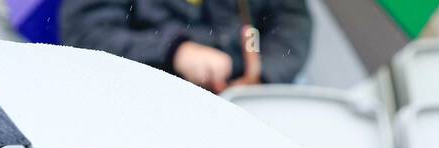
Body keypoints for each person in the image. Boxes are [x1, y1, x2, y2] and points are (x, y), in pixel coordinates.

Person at [61, 0, 312, 92]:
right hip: (146, 104)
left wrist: (262, 76)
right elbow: (88, 32)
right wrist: (174, 51)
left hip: (243, 110)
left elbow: (291, 23)